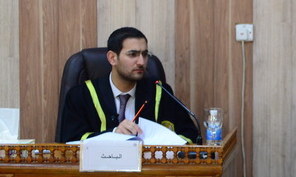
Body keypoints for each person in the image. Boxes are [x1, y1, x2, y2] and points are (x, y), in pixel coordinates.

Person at [60, 27, 199, 143]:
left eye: (144, 54)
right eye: (133, 54)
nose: (141, 62)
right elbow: (69, 142)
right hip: (98, 168)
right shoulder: (80, 95)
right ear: (112, 58)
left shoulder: (160, 92)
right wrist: (113, 133)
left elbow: (190, 136)